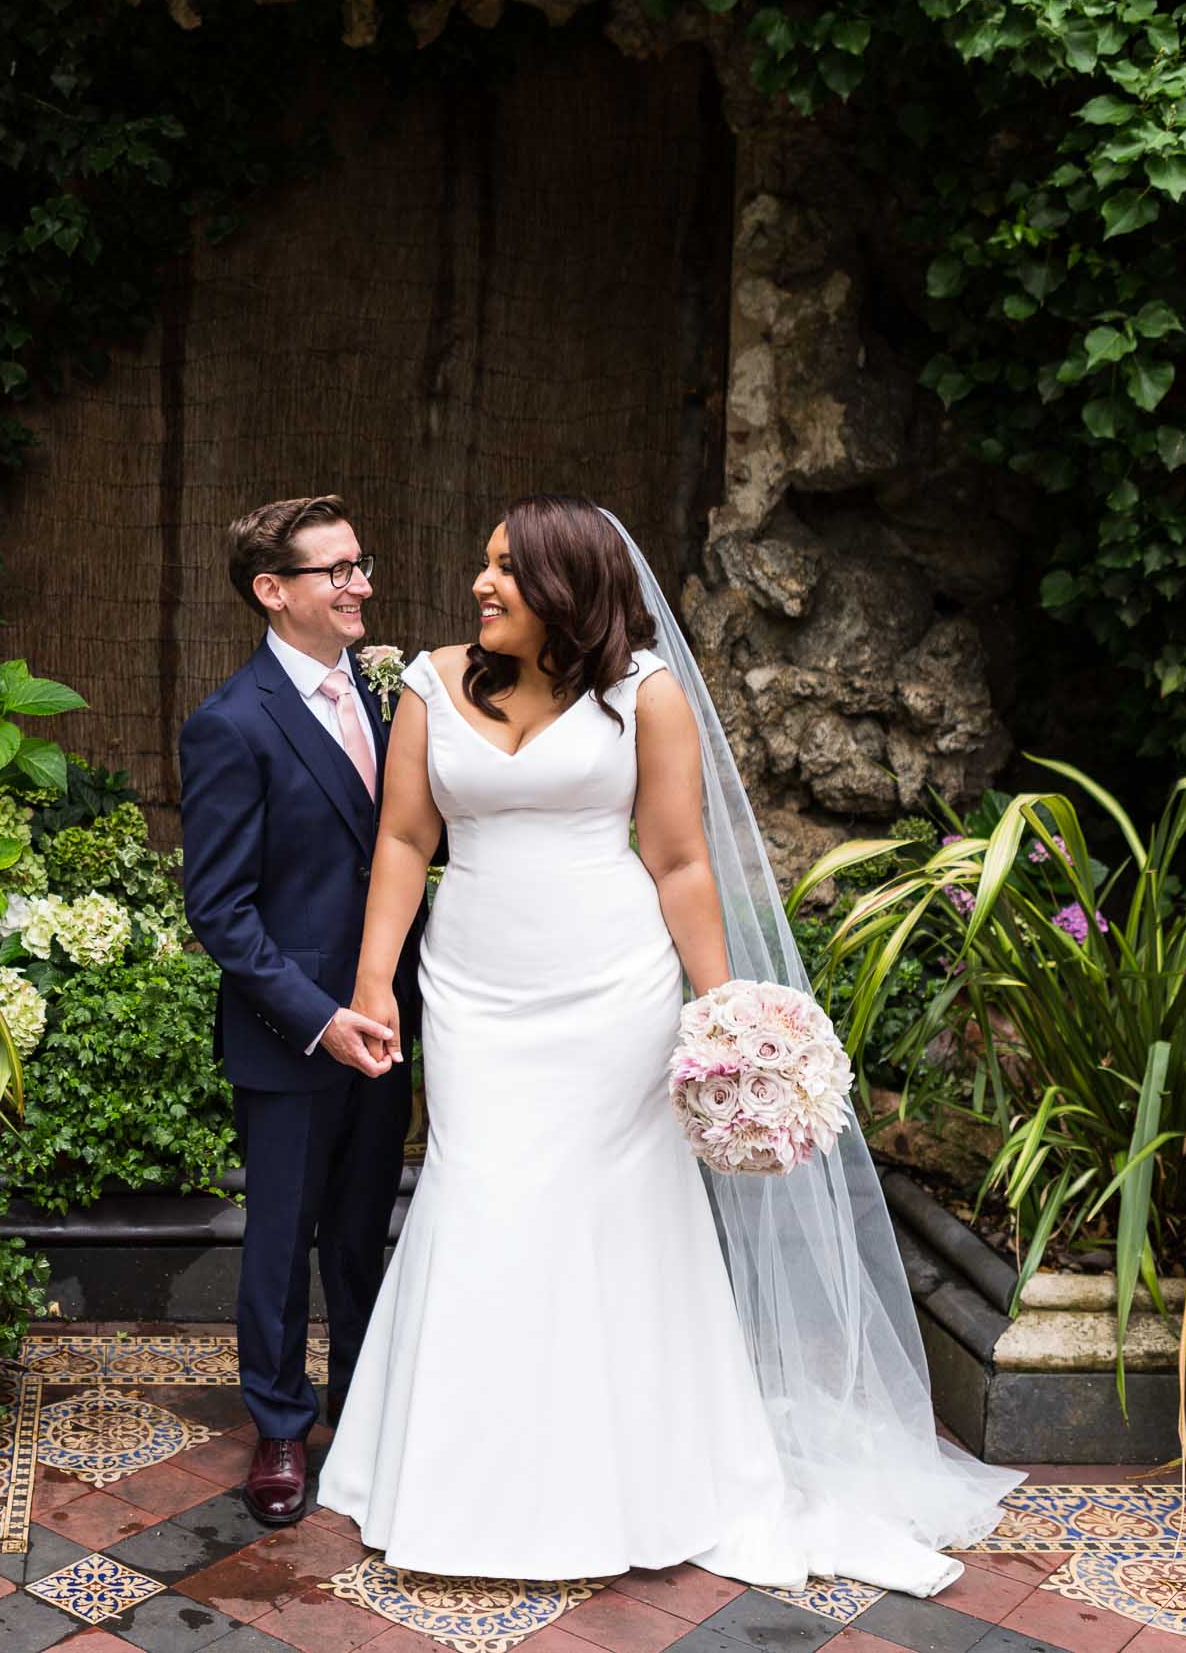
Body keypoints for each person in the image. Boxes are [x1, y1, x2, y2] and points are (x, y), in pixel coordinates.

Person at [317, 495, 1017, 1594]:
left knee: (613, 1213)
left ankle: (633, 1473)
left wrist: (725, 1013)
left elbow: (681, 861)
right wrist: (373, 986)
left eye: (504, 569)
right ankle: (460, 1476)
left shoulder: (645, 694)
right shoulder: (428, 685)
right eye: (483, 565)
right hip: (476, 990)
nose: (478, 586)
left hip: (612, 991)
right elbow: (404, 838)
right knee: (482, 1192)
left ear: (566, 586)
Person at [178, 493, 422, 1528]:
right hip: (295, 1033)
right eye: (337, 571)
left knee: (366, 1227)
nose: (361, 582)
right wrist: (320, 1016)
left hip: (391, 1017)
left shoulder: (384, 696)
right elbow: (220, 912)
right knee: (281, 1238)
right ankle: (280, 1426)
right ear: (273, 593)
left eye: (360, 563)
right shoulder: (230, 724)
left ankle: (362, 1410)